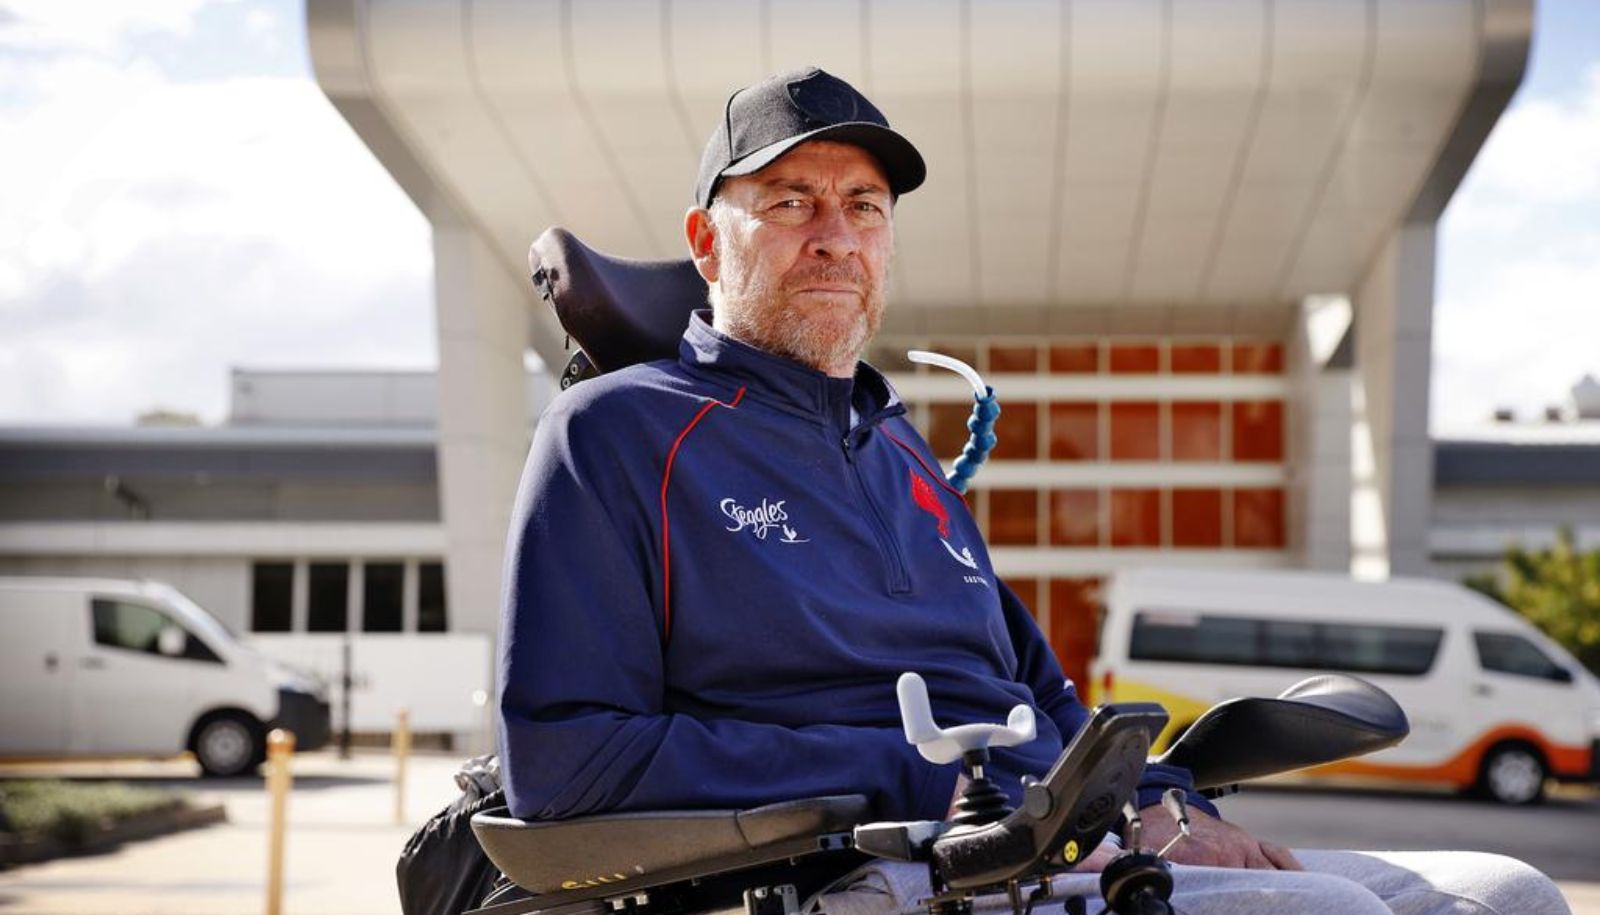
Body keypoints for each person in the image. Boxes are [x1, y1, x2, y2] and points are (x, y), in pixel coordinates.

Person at [497, 67, 1569, 915]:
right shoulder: (620, 434)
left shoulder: (902, 454)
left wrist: (1160, 801)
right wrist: (937, 782)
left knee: (1501, 892)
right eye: (789, 201)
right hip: (863, 865)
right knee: (1326, 912)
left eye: (863, 205)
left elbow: (1042, 697)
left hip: (1036, 841)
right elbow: (567, 763)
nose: (834, 233)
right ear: (705, 242)